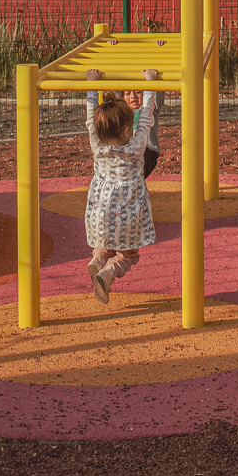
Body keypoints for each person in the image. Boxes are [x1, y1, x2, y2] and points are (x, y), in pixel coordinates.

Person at [83, 67, 159, 304]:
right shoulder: (136, 150)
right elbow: (146, 117)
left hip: (99, 212)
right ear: (129, 130)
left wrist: (92, 85)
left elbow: (90, 118)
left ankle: (97, 261)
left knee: (104, 246)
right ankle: (107, 273)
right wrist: (150, 83)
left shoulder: (98, 147)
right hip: (128, 214)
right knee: (129, 255)